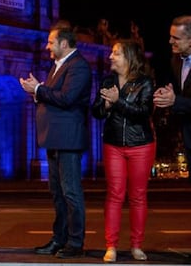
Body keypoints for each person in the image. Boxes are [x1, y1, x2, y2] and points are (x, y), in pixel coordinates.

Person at [20, 25, 92, 258]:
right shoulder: (57, 66)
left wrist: (39, 89)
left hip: (68, 140)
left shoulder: (78, 65)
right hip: (54, 138)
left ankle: (75, 242)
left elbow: (68, 99)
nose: (47, 46)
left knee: (70, 193)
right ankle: (59, 239)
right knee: (57, 193)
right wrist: (36, 91)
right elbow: (53, 98)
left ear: (64, 43)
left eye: (51, 42)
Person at [92, 39, 156, 262]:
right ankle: (111, 246)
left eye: (116, 53)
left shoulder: (145, 82)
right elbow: (96, 111)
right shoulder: (108, 80)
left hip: (141, 144)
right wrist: (106, 105)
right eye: (111, 53)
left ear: (129, 57)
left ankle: (137, 245)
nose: (110, 56)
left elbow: (143, 113)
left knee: (137, 196)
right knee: (115, 195)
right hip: (113, 144)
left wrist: (117, 102)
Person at [154, 15, 191, 182]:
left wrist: (176, 101)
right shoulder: (176, 61)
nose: (170, 41)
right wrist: (168, 96)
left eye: (175, 38)